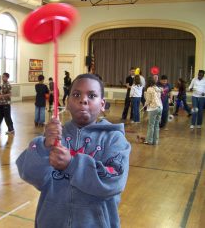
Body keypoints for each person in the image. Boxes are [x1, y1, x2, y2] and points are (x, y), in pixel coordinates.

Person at [16, 73, 131, 228]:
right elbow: (29, 174)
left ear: (103, 104)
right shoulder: (55, 136)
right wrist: (43, 146)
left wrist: (72, 164)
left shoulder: (114, 139)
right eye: (76, 94)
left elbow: (113, 181)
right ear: (68, 102)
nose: (83, 99)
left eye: (92, 95)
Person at [144, 76, 163, 145]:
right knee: (156, 125)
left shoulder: (149, 89)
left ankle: (149, 141)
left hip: (153, 108)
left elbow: (148, 100)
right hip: (160, 107)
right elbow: (159, 97)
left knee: (151, 125)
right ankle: (155, 141)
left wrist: (145, 104)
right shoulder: (157, 88)